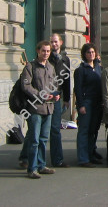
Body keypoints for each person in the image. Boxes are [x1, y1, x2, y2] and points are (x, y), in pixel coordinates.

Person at [21, 40, 58, 179]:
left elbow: (54, 84)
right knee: (34, 140)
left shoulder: (51, 67)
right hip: (35, 108)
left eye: (48, 51)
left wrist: (55, 95)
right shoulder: (30, 67)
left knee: (43, 139)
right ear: (38, 51)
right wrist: (40, 95)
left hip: (48, 107)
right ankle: (32, 168)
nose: (46, 53)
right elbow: (26, 86)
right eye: (43, 51)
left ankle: (42, 165)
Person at [74, 43, 103, 167]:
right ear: (84, 55)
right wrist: (81, 105)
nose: (91, 54)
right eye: (88, 52)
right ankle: (83, 158)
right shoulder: (80, 70)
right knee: (84, 131)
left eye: (92, 52)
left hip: (98, 103)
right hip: (87, 102)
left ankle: (91, 154)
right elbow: (78, 89)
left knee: (94, 130)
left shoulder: (98, 68)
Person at [48, 33, 71, 168]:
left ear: (60, 43)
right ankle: (26, 157)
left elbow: (66, 79)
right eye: (51, 42)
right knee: (38, 130)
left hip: (57, 97)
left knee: (55, 129)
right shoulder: (45, 57)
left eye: (56, 42)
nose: (54, 44)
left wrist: (67, 98)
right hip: (44, 98)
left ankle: (57, 160)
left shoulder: (65, 59)